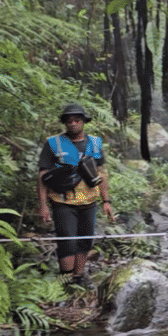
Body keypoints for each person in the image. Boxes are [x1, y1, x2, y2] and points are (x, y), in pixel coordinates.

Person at [37, 104, 113, 281]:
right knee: (67, 241)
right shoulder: (52, 144)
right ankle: (66, 279)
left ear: (83, 122)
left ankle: (78, 276)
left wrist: (106, 201)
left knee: (86, 240)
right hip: (63, 201)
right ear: (65, 123)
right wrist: (42, 206)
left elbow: (101, 173)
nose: (72, 124)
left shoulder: (94, 143)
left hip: (89, 202)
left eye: (76, 120)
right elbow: (42, 176)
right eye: (68, 121)